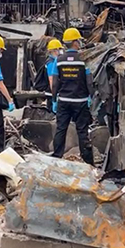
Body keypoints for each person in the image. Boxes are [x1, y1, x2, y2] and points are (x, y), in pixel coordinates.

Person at [51, 28, 95, 166]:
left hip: (63, 101)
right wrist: (91, 97)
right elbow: (89, 81)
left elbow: (55, 83)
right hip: (80, 101)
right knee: (82, 131)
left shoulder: (58, 60)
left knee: (61, 129)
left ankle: (57, 157)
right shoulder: (84, 59)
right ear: (75, 42)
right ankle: (88, 162)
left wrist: (54, 100)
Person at [33, 39, 64, 112]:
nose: (60, 52)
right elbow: (52, 81)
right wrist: (54, 96)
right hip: (51, 94)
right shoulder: (51, 63)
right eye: (59, 49)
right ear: (54, 50)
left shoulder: (53, 61)